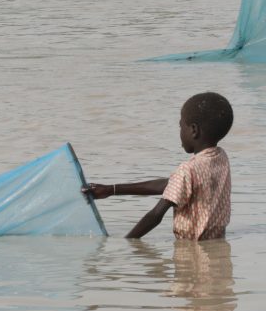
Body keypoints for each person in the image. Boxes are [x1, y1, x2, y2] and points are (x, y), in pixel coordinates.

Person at [85, 92, 233, 240]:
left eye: (181, 126)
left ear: (194, 130)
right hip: (217, 245)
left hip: (190, 250)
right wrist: (111, 190)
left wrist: (127, 241)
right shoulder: (221, 158)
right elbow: (174, 185)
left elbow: (156, 215)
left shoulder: (188, 169)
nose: (180, 132)